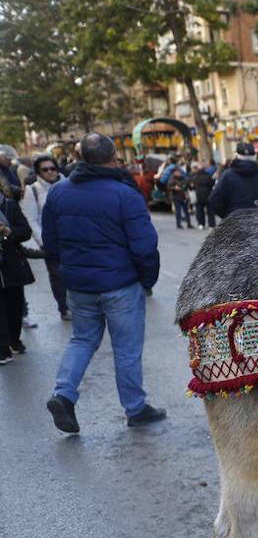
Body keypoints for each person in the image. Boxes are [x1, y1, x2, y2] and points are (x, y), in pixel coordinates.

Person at [41, 132, 166, 432]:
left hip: (80, 285)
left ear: (79, 159)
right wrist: (146, 280)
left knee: (82, 340)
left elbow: (51, 241)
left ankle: (63, 394)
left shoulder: (58, 192)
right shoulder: (124, 194)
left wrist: (67, 270)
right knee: (126, 349)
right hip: (120, 284)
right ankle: (135, 408)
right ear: (113, 158)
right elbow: (145, 246)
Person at [19, 154, 69, 321]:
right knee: (58, 276)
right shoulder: (33, 190)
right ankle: (64, 307)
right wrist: (44, 242)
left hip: (74, 239)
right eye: (45, 170)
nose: (50, 172)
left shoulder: (69, 184)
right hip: (50, 242)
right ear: (38, 172)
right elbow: (30, 219)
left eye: (52, 168)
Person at [0, 189, 35, 364]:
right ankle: (2, 348)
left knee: (14, 307)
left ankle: (14, 339)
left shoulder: (9, 205)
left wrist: (8, 231)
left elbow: (25, 231)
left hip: (11, 265)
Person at [208, 142, 258, 220]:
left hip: (235, 224)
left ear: (237, 156)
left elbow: (215, 201)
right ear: (254, 156)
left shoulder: (227, 176)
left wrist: (228, 217)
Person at [190, 161, 217, 228]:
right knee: (210, 211)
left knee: (199, 211)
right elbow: (212, 184)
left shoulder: (195, 176)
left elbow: (191, 185)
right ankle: (211, 224)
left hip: (198, 195)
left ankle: (201, 224)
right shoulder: (208, 176)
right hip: (208, 194)